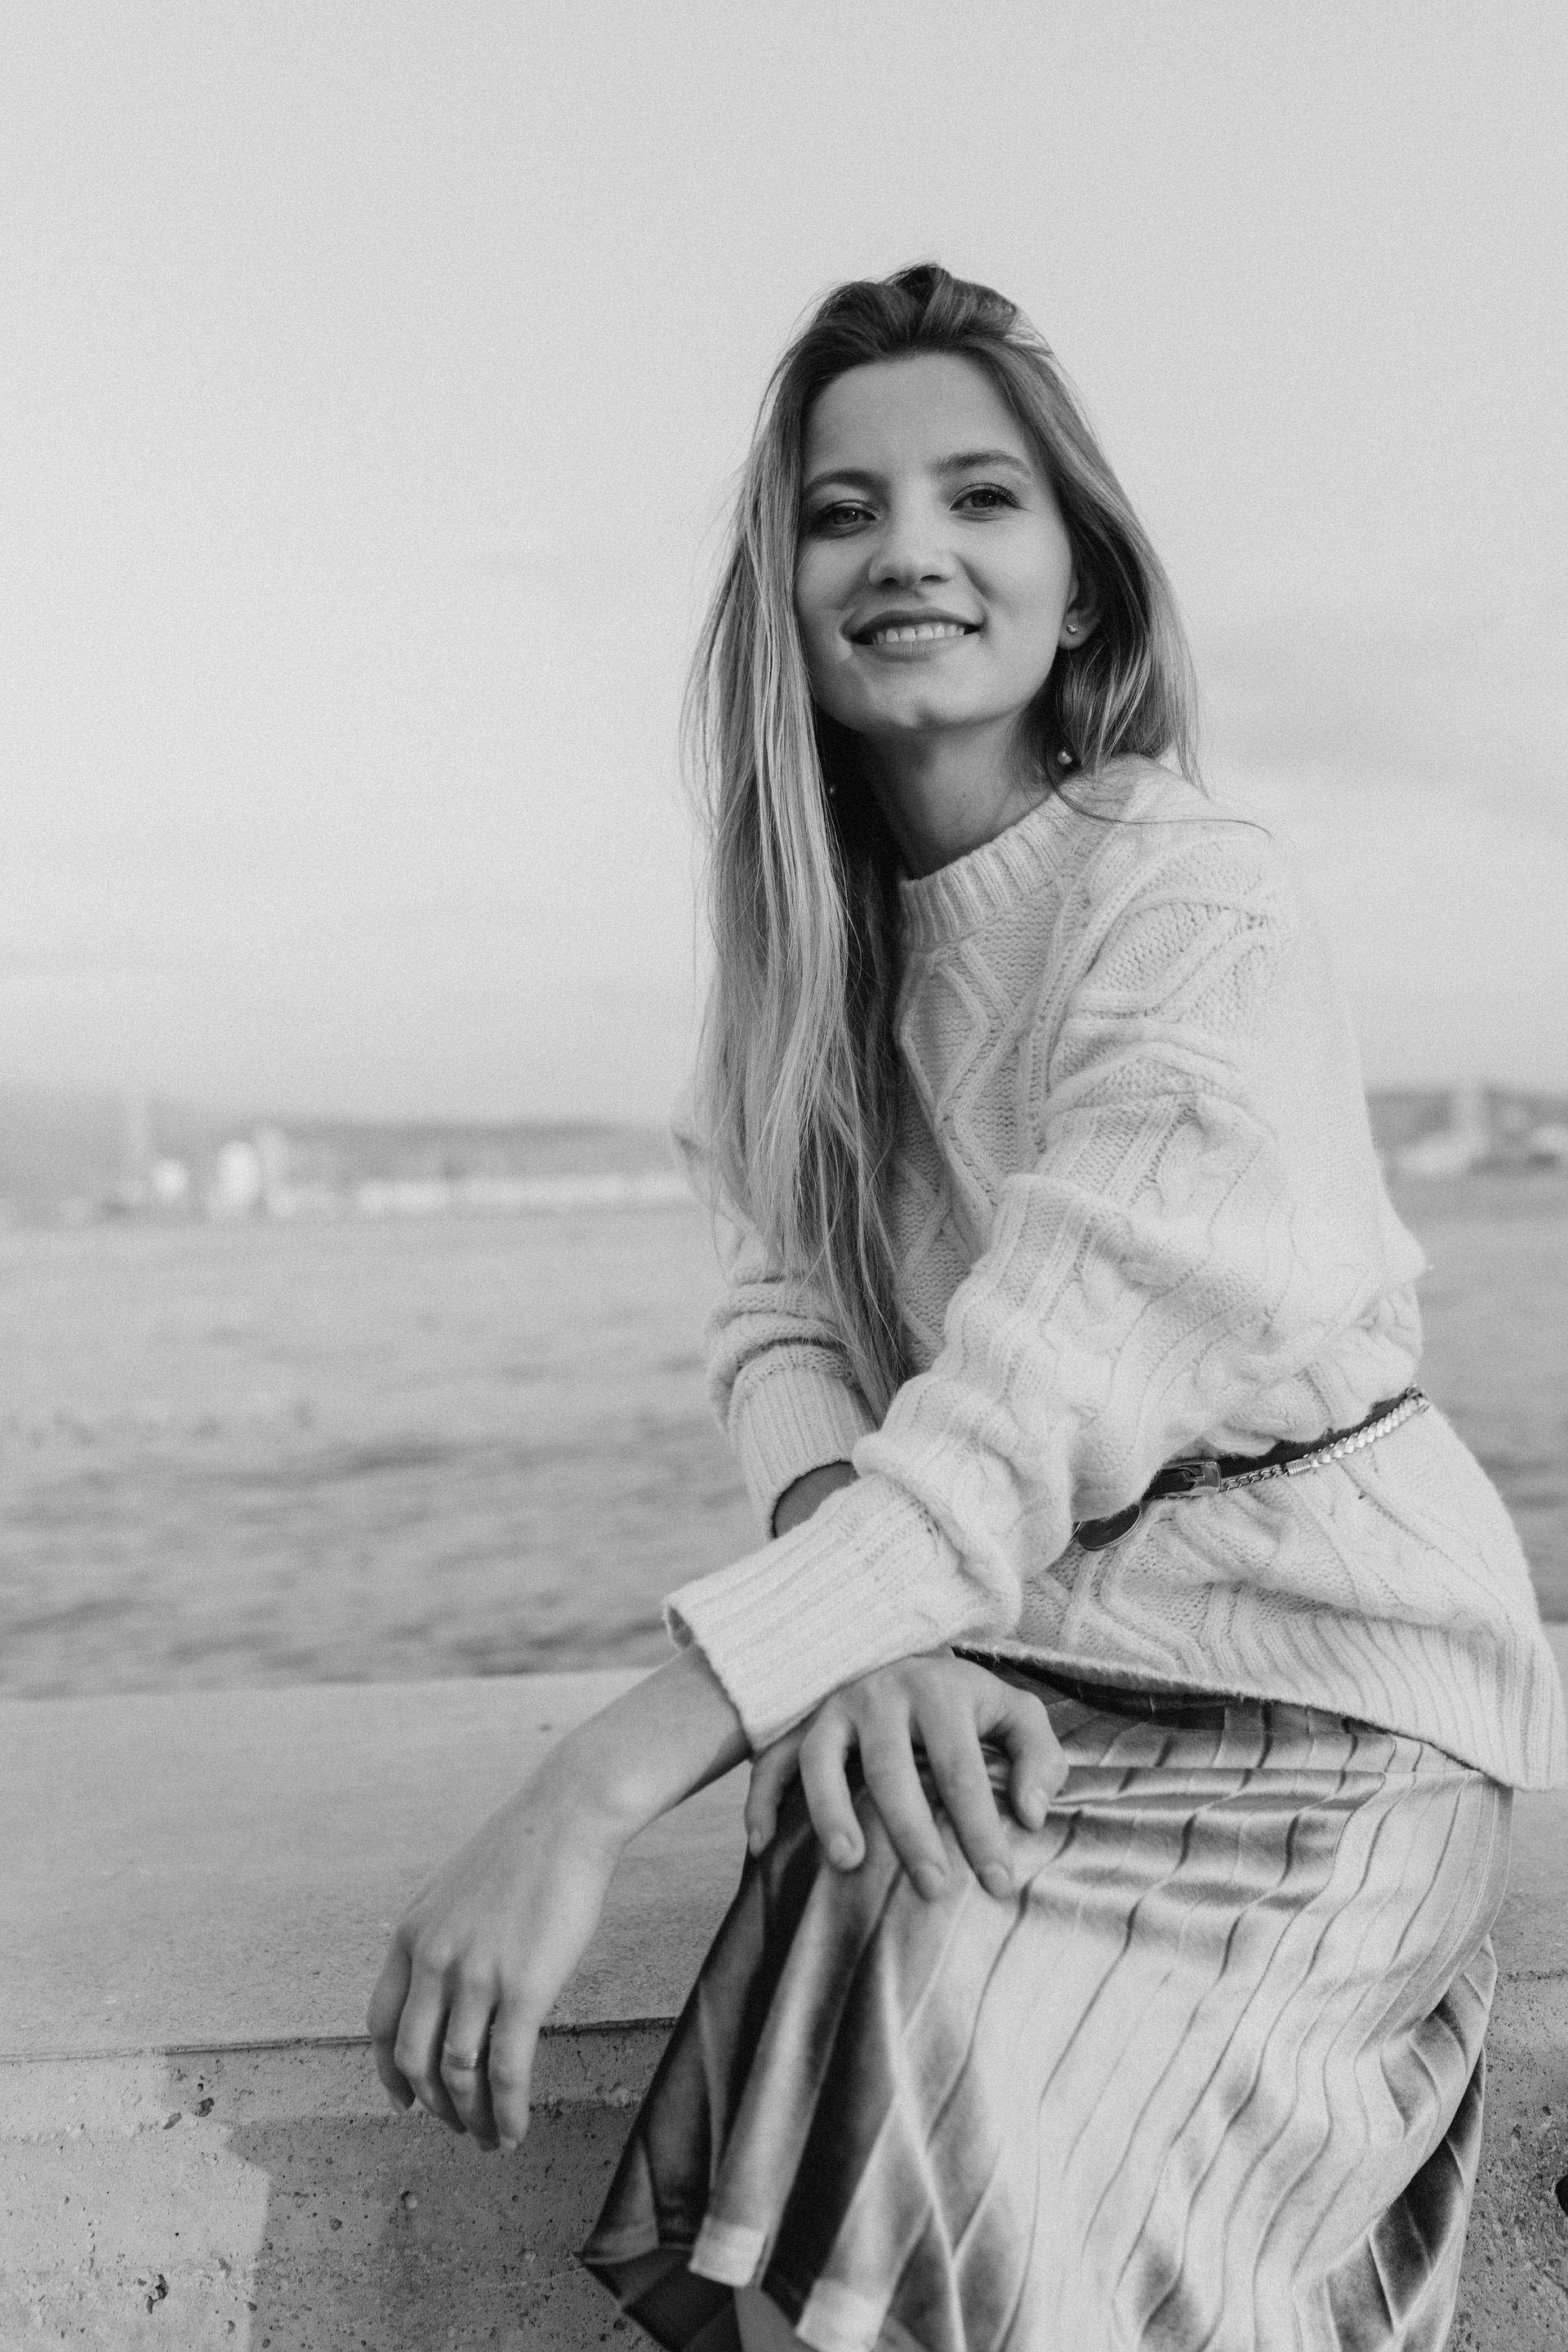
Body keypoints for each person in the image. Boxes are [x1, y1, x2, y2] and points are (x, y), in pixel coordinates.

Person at [367, 265, 1566, 2352]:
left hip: (1330, 1689)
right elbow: (779, 1326)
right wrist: (868, 1627)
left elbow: (1024, 1414)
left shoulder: (1191, 899)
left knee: (953, 2023)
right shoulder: (797, 954)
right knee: (856, 1879)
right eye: (843, 511)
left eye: (980, 497)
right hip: (1020, 1643)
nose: (907, 548)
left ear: (1082, 586)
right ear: (786, 593)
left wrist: (590, 1785)